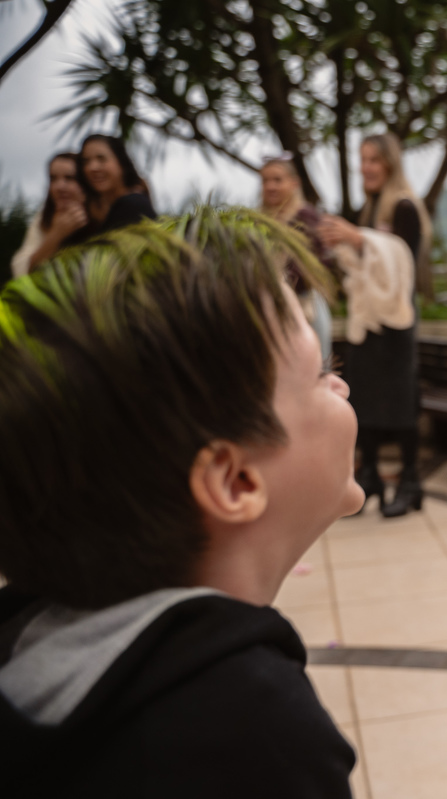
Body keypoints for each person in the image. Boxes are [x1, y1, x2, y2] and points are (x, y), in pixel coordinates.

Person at [0, 208, 360, 797]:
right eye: (321, 372)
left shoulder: (32, 647)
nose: (340, 385)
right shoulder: (249, 731)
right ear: (235, 482)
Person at [319, 132, 431, 519]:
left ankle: (411, 481)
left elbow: (403, 262)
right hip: (366, 325)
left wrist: (359, 239)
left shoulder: (404, 208)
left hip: (395, 329)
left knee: (401, 405)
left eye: (373, 160)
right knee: (363, 400)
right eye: (362, 159)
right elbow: (363, 263)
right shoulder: (369, 211)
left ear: (389, 164)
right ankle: (368, 475)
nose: (365, 167)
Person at [260, 153, 334, 359]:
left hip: (303, 307)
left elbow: (319, 264)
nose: (271, 186)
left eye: (277, 180)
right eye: (265, 181)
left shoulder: (305, 216)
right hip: (272, 308)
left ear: (294, 183)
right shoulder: (259, 221)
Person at [10, 152, 88, 277]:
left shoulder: (99, 214)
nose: (59, 187)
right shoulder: (43, 218)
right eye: (53, 179)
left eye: (69, 178)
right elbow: (21, 269)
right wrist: (56, 235)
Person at [77, 134, 157, 235]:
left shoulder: (134, 205)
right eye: (85, 161)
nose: (92, 167)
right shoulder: (86, 213)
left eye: (101, 159)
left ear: (121, 162)